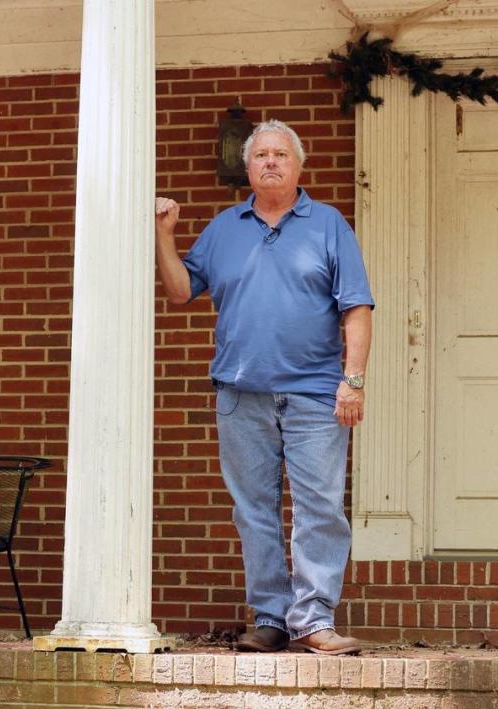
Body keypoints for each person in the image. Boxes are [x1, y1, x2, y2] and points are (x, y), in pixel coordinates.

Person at [155, 119, 373, 656]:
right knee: (253, 509)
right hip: (239, 394)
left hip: (316, 394)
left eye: (281, 154)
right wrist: (163, 235)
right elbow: (181, 291)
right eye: (261, 156)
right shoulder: (225, 228)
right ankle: (272, 618)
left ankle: (314, 618)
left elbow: (357, 307)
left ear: (298, 166)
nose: (271, 162)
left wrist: (354, 381)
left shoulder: (328, 225)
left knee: (319, 506)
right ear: (248, 169)